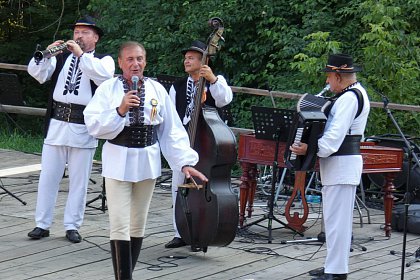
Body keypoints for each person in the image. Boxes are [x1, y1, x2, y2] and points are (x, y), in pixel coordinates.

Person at [83, 41, 208, 279]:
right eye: (129, 59)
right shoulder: (108, 89)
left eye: (139, 59)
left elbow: (171, 130)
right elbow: (93, 125)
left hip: (147, 161)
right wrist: (119, 110)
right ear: (120, 63)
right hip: (118, 160)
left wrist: (185, 162)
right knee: (119, 223)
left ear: (145, 62)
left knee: (137, 223)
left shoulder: (157, 90)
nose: (135, 64)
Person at [27, 16, 115, 243]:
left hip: (83, 127)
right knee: (48, 177)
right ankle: (42, 224)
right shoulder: (63, 57)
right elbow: (38, 75)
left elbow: (103, 77)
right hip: (57, 125)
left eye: (85, 32)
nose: (79, 36)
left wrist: (80, 54)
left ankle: (72, 226)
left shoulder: (103, 60)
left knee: (79, 181)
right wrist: (46, 55)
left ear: (95, 38)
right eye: (77, 32)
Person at [290, 53, 370, 280]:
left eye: (328, 77)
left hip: (342, 164)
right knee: (334, 221)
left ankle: (337, 272)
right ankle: (332, 267)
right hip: (339, 166)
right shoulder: (350, 95)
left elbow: (334, 137)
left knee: (338, 223)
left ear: (338, 75)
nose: (327, 81)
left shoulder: (349, 98)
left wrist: (311, 149)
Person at [165, 40, 233, 249]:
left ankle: (203, 230)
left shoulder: (215, 81)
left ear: (204, 60)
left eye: (191, 57)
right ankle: (181, 232)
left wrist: (212, 79)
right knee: (179, 186)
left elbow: (225, 100)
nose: (186, 60)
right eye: (186, 57)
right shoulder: (177, 86)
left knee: (204, 185)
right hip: (184, 139)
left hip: (207, 142)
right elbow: (171, 116)